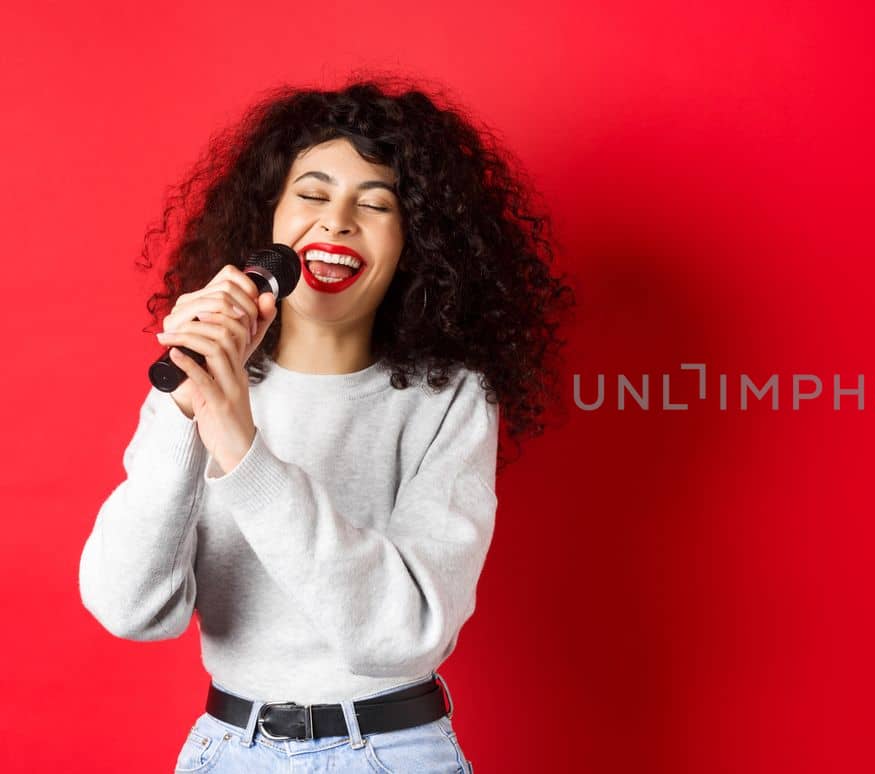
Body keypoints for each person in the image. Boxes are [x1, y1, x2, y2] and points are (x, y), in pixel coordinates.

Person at [77, 76, 574, 772]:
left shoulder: (451, 399)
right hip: (228, 750)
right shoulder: (199, 384)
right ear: (268, 224)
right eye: (311, 194)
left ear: (416, 244)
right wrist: (187, 413)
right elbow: (131, 608)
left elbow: (402, 636)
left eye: (374, 205)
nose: (337, 220)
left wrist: (242, 447)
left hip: (393, 751)